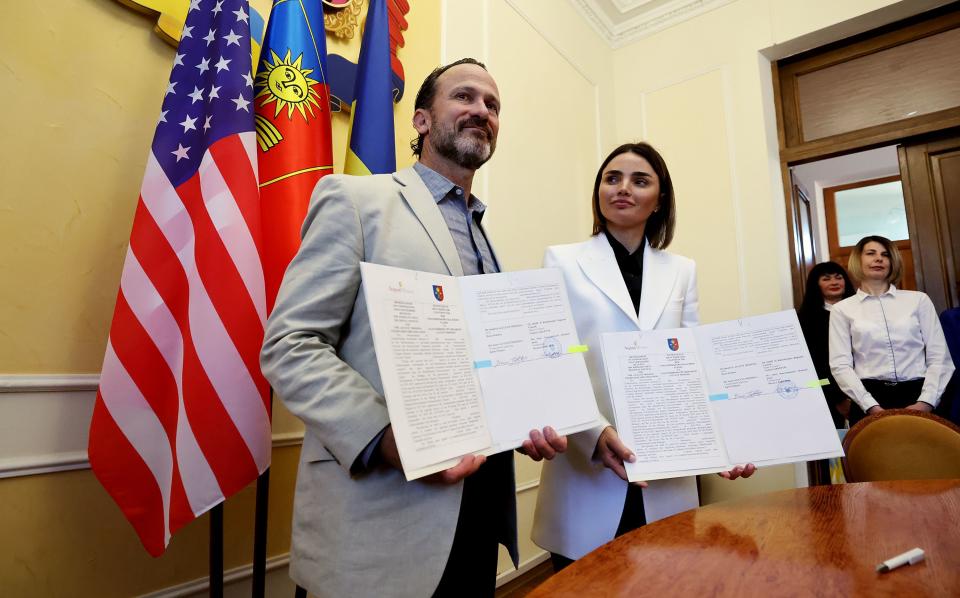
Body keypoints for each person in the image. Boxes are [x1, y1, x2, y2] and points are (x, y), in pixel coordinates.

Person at [260, 58, 567, 598]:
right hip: (381, 525)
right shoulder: (355, 200)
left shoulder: (487, 240)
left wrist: (526, 422)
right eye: (465, 97)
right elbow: (291, 345)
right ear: (422, 120)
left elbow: (483, 372)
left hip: (476, 524)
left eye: (493, 105)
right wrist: (382, 437)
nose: (482, 111)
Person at [531, 142, 755, 569]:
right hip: (587, 464)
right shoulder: (561, 259)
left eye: (640, 180)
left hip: (666, 468)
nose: (623, 188)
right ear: (598, 192)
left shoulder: (682, 269)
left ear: (660, 199)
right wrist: (593, 433)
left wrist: (725, 442)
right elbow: (554, 360)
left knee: (665, 578)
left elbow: (692, 366)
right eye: (612, 178)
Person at [829, 235, 955, 426]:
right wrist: (870, 406)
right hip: (869, 398)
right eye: (871, 253)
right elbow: (840, 365)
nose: (879, 258)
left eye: (885, 255)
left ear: (892, 261)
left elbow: (940, 358)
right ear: (858, 260)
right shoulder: (842, 309)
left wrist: (926, 402)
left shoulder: (918, 300)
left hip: (920, 393)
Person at [797, 261, 856, 429]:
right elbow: (814, 364)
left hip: (865, 391)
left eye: (839, 278)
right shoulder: (806, 319)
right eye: (826, 279)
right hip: (825, 396)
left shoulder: (861, 312)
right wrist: (838, 399)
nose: (834, 282)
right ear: (816, 285)